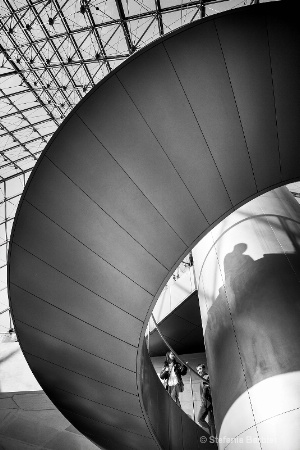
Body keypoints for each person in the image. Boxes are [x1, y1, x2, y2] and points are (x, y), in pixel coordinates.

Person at [196, 364, 215, 437]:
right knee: (208, 421)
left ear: (204, 369)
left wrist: (207, 387)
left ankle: (212, 436)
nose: (199, 371)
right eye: (198, 370)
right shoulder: (202, 379)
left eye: (200, 369)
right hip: (206, 402)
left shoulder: (207, 377)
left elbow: (210, 387)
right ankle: (212, 436)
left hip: (209, 401)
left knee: (202, 419)